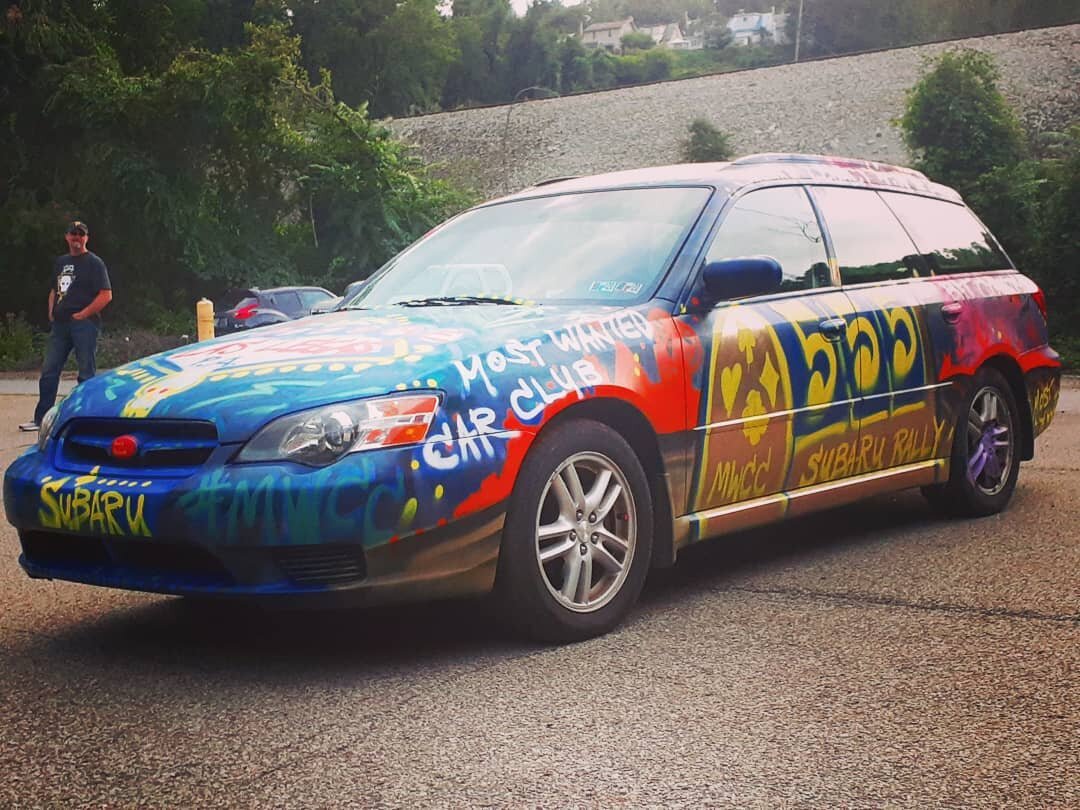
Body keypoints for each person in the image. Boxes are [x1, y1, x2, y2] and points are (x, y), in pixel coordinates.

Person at [19, 221, 113, 431]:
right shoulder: (61, 262)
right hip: (60, 326)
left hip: (84, 325)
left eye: (81, 234)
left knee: (86, 373)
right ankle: (41, 418)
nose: (77, 238)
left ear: (86, 238)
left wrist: (84, 314)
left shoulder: (94, 263)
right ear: (67, 237)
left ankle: (86, 418)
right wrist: (52, 312)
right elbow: (54, 289)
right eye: (73, 234)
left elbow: (106, 294)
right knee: (49, 371)